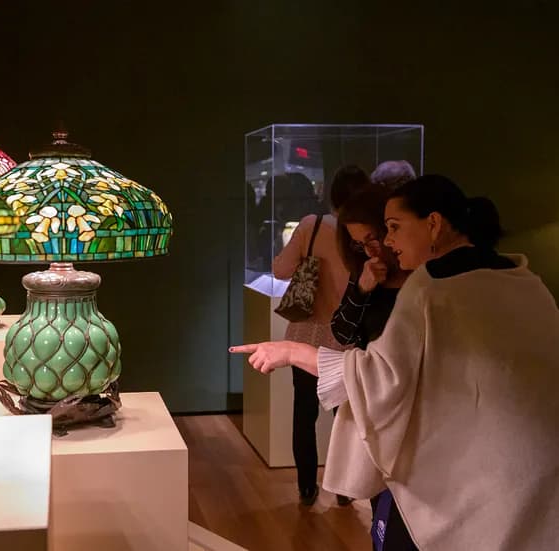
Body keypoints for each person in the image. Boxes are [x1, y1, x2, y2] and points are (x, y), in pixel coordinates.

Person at [232, 175, 559, 550]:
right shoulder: (527, 281)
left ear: (433, 223)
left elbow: (380, 377)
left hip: (470, 478)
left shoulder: (429, 288)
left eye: (393, 228)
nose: (387, 242)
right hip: (537, 473)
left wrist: (293, 352)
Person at [270, 164, 370, 506]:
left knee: (304, 411)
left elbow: (280, 269)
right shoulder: (368, 234)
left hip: (306, 334)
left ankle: (307, 487)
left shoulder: (312, 226)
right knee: (344, 415)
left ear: (330, 194)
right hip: (349, 334)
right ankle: (344, 489)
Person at [329, 184, 415, 549]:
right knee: (378, 502)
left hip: (409, 405)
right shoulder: (366, 273)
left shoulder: (420, 278)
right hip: (372, 401)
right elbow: (341, 331)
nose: (371, 248)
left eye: (374, 236)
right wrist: (361, 288)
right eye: (360, 243)